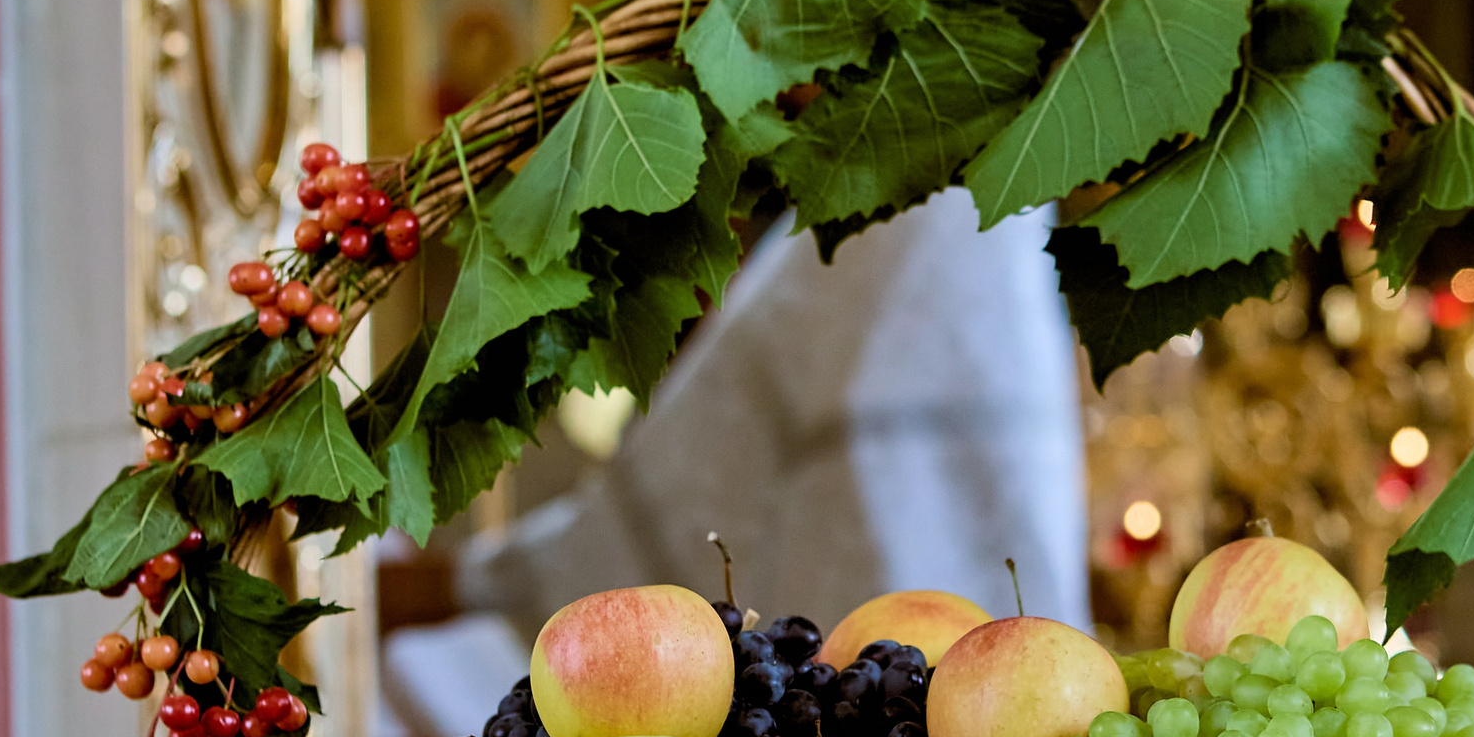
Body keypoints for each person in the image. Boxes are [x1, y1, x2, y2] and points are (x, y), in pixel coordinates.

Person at [456, 187, 1091, 638]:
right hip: (1005, 699)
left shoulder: (871, 220)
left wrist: (477, 580)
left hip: (851, 710)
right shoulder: (998, 205)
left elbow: (685, 481)